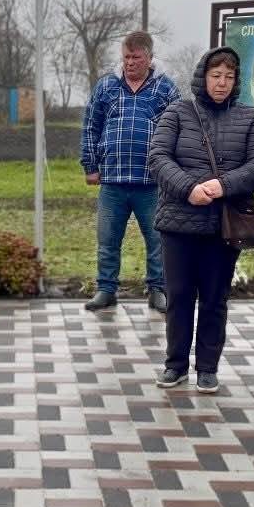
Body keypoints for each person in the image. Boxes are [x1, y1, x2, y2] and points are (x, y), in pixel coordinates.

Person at [147, 47, 254, 392]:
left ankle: (207, 367)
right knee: (179, 296)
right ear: (203, 76)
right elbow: (158, 157)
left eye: (229, 76)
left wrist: (223, 185)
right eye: (216, 75)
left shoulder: (249, 117)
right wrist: (189, 189)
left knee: (215, 299)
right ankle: (175, 365)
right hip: (179, 223)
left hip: (222, 225)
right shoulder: (177, 112)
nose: (222, 83)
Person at [80, 31, 181, 313]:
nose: (130, 63)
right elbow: (91, 126)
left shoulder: (166, 89)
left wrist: (172, 171)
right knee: (107, 240)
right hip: (112, 181)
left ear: (149, 58)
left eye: (136, 57)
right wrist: (90, 165)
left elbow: (178, 130)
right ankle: (106, 290)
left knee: (158, 240)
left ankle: (158, 290)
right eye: (126, 57)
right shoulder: (106, 86)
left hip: (152, 182)